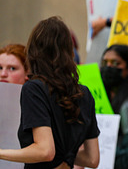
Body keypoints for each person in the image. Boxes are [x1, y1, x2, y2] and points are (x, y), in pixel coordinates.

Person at [0, 16, 100, 168]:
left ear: (33, 51)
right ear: (69, 52)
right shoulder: (84, 93)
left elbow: (45, 151)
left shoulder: (34, 89)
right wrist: (67, 154)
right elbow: (92, 160)